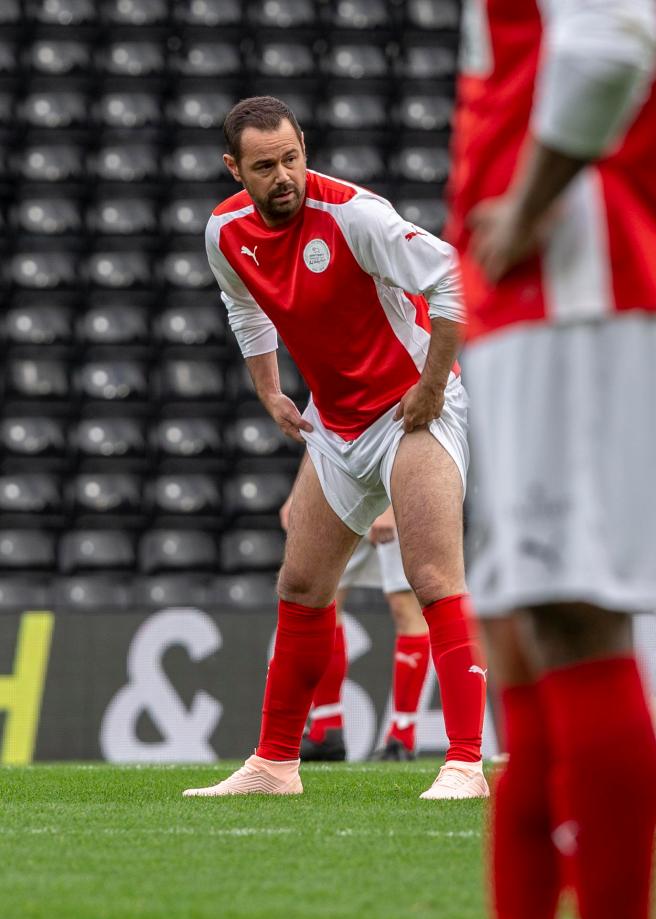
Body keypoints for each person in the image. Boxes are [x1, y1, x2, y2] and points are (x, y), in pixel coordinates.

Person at [446, 0, 656, 919]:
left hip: (582, 286)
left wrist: (535, 193)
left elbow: (615, 39)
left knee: (574, 616)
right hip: (539, 302)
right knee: (525, 636)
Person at [183, 95, 488, 801]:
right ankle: (274, 765)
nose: (283, 175)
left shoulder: (356, 215)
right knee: (300, 587)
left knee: (432, 576)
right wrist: (268, 390)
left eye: (292, 157)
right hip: (336, 424)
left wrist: (434, 385)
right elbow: (242, 306)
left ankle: (465, 763)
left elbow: (451, 282)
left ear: (304, 149)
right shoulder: (224, 232)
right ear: (235, 169)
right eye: (265, 166)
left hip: (411, 408)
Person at [280, 472, 431, 763]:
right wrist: (298, 493)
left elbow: (401, 429)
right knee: (325, 597)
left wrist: (389, 506)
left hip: (393, 488)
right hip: (344, 490)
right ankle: (326, 728)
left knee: (404, 604)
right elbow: (319, 433)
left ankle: (402, 736)